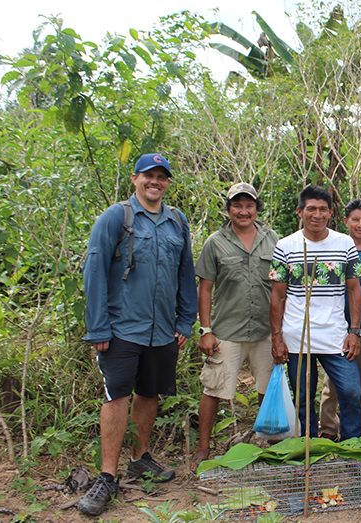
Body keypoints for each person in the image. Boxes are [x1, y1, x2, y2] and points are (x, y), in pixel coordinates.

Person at [80, 153, 196, 516]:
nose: (155, 182)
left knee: (149, 393)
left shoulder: (178, 221)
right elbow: (94, 270)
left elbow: (185, 273)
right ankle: (107, 476)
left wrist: (184, 321)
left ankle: (140, 458)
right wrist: (98, 327)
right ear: (135, 179)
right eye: (149, 176)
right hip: (120, 329)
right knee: (117, 397)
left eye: (162, 177)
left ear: (168, 183)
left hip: (162, 330)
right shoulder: (117, 217)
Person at [192, 182, 278, 468]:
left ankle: (272, 443)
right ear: (228, 209)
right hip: (227, 329)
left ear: (256, 208)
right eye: (237, 205)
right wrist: (206, 330)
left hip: (266, 330)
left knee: (268, 387)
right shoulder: (215, 242)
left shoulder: (272, 239)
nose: (243, 211)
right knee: (215, 388)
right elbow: (205, 288)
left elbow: (282, 286)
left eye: (249, 205)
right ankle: (203, 447)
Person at [269, 185, 361, 440]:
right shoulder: (285, 246)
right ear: (300, 211)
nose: (317, 215)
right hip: (296, 335)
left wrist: (354, 331)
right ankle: (308, 447)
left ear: (331, 213)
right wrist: (277, 337)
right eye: (311, 208)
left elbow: (355, 290)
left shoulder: (344, 244)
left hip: (335, 334)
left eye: (323, 209)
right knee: (302, 396)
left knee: (351, 392)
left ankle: (351, 446)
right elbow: (278, 295)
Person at [319, 200, 361, 443]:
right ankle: (327, 428)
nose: (360, 224)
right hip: (335, 328)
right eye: (354, 219)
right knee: (332, 383)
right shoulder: (334, 248)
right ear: (345, 221)